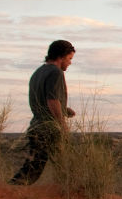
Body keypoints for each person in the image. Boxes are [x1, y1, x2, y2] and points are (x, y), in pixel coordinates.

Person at [10, 40, 76, 185]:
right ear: (62, 56)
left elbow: (43, 99)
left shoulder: (39, 72)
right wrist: (62, 124)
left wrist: (64, 110)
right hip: (48, 128)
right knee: (62, 164)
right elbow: (52, 101)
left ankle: (11, 190)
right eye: (70, 59)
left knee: (33, 166)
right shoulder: (55, 72)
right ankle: (8, 192)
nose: (70, 63)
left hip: (36, 126)